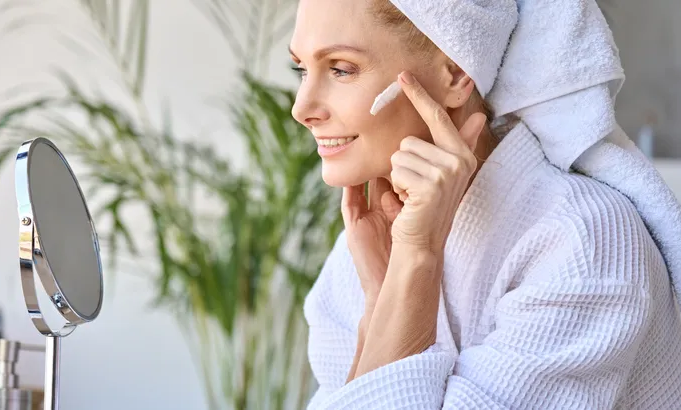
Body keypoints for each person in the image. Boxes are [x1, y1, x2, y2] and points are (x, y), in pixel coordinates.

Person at [289, 0, 681, 408]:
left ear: (456, 73)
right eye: (300, 69)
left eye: (341, 69)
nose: (301, 109)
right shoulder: (366, 251)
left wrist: (416, 261)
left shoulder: (586, 240)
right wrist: (379, 300)